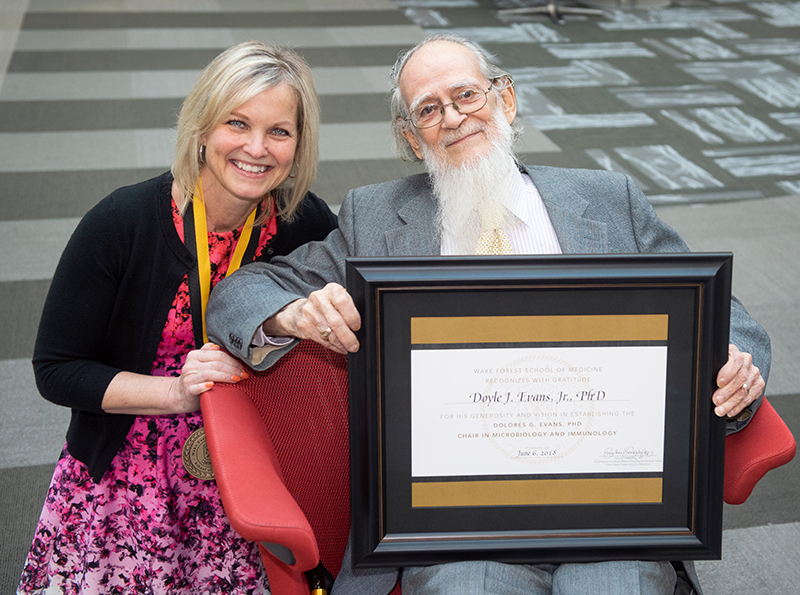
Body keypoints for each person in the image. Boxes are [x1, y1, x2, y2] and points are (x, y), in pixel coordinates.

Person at [206, 34, 770, 595]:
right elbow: (243, 291)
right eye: (428, 109)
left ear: (506, 99)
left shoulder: (606, 200)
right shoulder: (375, 218)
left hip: (608, 508)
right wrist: (293, 314)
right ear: (410, 136)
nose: (452, 117)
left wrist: (735, 365)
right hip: (457, 524)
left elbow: (722, 311)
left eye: (467, 95)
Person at [17, 41, 337, 594]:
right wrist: (176, 395)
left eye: (279, 132)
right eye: (237, 123)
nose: (256, 149)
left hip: (255, 464)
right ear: (203, 128)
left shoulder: (304, 222)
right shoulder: (122, 222)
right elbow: (57, 368)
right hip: (132, 465)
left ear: (299, 144)